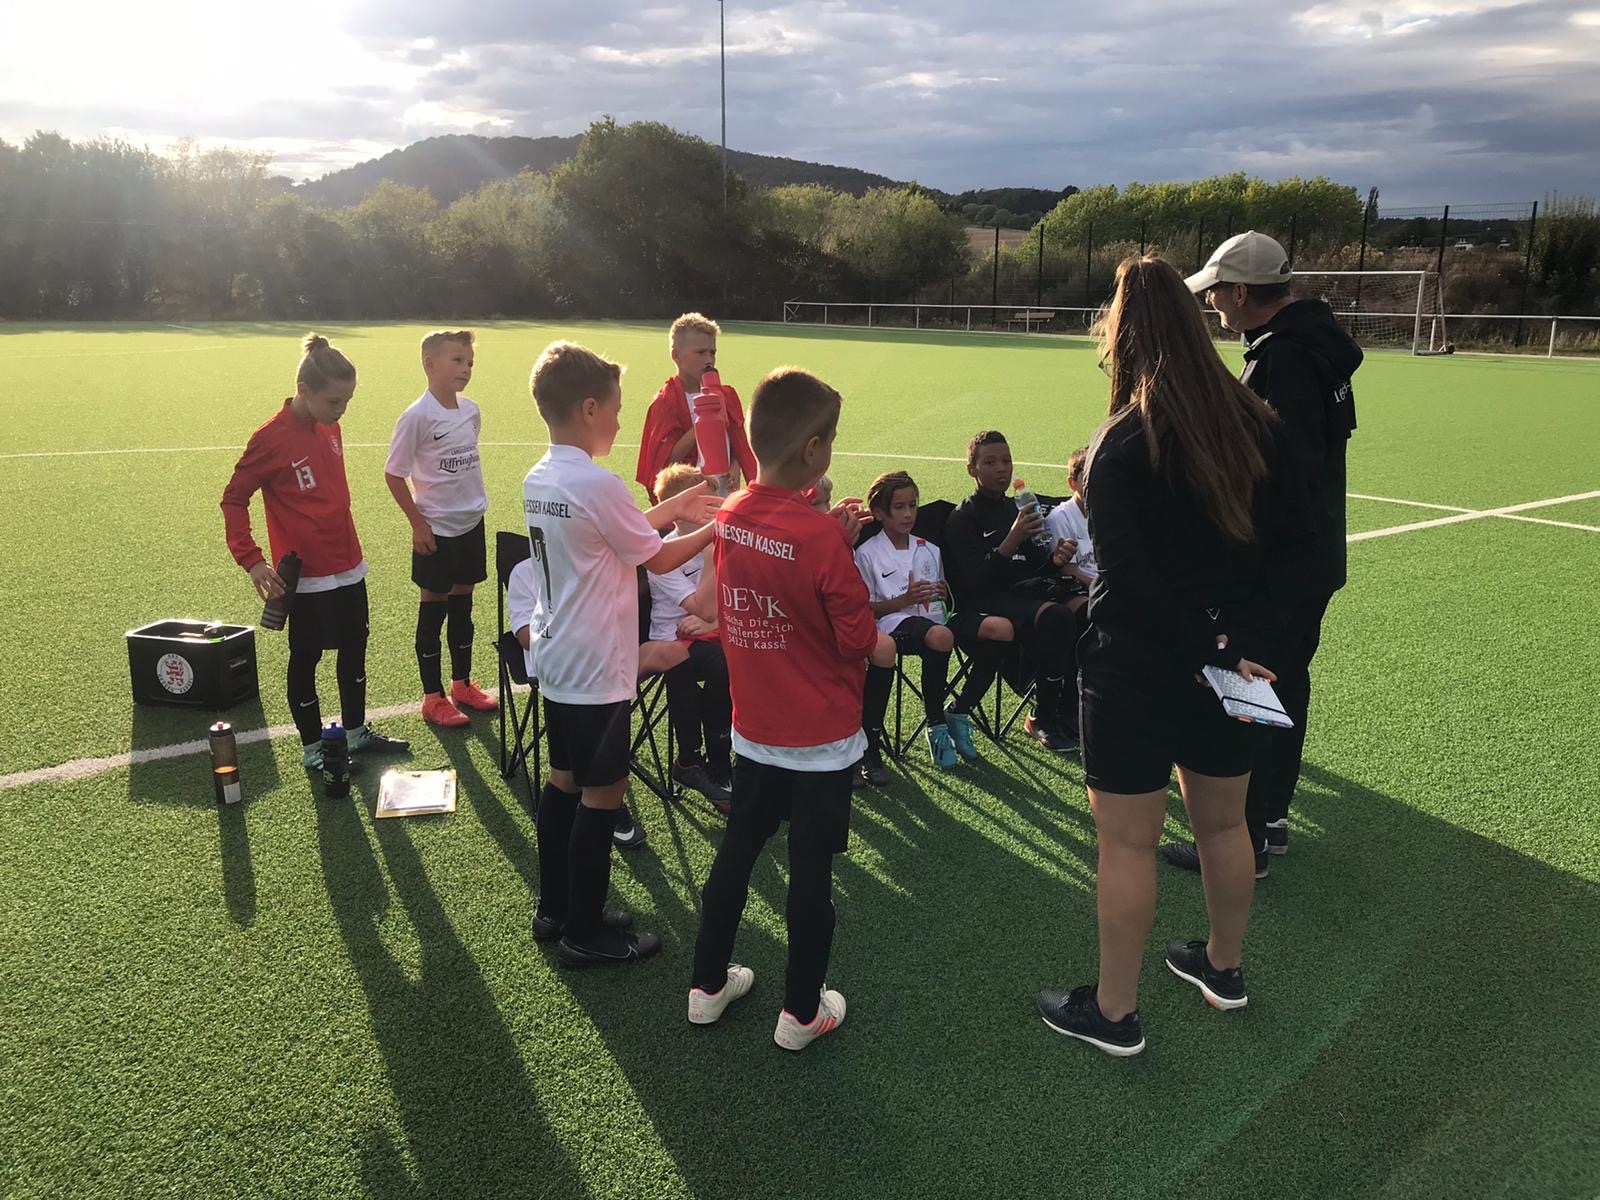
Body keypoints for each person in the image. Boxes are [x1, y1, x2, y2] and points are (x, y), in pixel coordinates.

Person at [1036, 256, 1315, 1056]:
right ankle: (1223, 967)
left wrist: (1210, 646)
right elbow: (1293, 549)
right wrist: (1238, 645)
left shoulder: (1122, 441)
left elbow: (1127, 577)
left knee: (1127, 844)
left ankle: (1115, 1012)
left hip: (1138, 664)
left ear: (1120, 337)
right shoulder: (1256, 422)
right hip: (1226, 665)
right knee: (1226, 826)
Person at [688, 367, 895, 1051]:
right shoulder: (818, 539)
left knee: (738, 853)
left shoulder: (731, 512)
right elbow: (857, 640)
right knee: (811, 874)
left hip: (755, 731)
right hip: (821, 739)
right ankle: (801, 1013)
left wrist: (823, 531)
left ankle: (706, 987)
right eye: (829, 439)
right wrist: (835, 545)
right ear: (813, 448)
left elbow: (772, 564)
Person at [1161, 230, 1362, 875]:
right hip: (1311, 556)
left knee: (1248, 687)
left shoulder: (1288, 359)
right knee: (1285, 685)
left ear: (1243, 292)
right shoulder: (1311, 346)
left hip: (1281, 565)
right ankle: (1268, 821)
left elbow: (1278, 475)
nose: (1212, 301)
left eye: (1217, 290)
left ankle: (1246, 840)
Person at [522, 340, 721, 966]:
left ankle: (556, 908)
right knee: (603, 793)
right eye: (613, 408)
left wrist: (675, 506)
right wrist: (716, 527)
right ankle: (585, 931)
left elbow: (614, 531)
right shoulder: (597, 482)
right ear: (588, 408)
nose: (617, 419)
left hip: (558, 655)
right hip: (597, 664)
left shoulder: (542, 475)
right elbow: (656, 557)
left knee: (563, 781)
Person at [221, 333, 410, 772]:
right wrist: (252, 560)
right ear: (304, 391)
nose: (342, 410)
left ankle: (356, 731)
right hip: (306, 576)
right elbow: (233, 498)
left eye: (348, 401)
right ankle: (312, 749)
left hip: (348, 562)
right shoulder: (270, 439)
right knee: (306, 658)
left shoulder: (330, 426)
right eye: (334, 401)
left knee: (355, 648)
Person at [508, 556, 690, 847]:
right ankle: (603, 798)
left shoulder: (593, 565)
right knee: (588, 737)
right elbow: (525, 637)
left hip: (607, 665)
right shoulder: (525, 571)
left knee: (677, 656)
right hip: (560, 672)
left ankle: (694, 761)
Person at [383, 329, 498, 730]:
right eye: (457, 360)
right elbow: (394, 475)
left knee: (463, 605)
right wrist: (418, 524)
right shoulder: (416, 417)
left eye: (470, 362)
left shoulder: (471, 411)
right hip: (436, 529)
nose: (466, 368)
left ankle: (462, 684)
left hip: (470, 523)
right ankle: (433, 697)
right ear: (430, 364)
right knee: (433, 609)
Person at [942, 431, 1082, 754]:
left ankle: (1072, 707)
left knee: (1087, 611)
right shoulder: (962, 518)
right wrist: (1010, 541)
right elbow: (973, 584)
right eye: (990, 462)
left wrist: (1056, 559)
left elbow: (1036, 565)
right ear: (972, 469)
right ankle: (1043, 716)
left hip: (1023, 593)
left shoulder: (1016, 508)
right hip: (985, 601)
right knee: (1057, 617)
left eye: (1006, 460)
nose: (1001, 468)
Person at [855, 470, 959, 778]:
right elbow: (864, 609)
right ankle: (875, 742)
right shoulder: (867, 553)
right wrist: (902, 600)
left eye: (913, 505)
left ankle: (941, 723)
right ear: (879, 513)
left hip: (930, 624)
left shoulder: (929, 549)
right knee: (940, 636)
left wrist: (943, 595)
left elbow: (941, 602)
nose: (909, 514)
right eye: (899, 507)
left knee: (943, 634)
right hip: (891, 624)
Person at [649, 463, 734, 811]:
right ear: (680, 509)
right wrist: (713, 553)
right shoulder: (662, 554)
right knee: (720, 664)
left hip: (712, 633)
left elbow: (734, 601)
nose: (717, 509)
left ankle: (758, 754)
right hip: (672, 639)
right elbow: (700, 608)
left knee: (761, 650)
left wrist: (716, 623)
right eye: (709, 503)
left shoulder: (723, 542)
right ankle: (709, 762)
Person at [635, 313, 759, 503]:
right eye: (700, 353)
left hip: (725, 493)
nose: (709, 359)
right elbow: (664, 462)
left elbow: (736, 440)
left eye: (712, 352)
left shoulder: (725, 395)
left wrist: (735, 464)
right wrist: (703, 425)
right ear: (676, 355)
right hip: (692, 498)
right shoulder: (666, 402)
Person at [1043, 446, 1096, 602]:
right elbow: (1068, 570)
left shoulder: (1104, 512)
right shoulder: (1061, 518)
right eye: (1087, 478)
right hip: (1083, 592)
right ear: (1072, 483)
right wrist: (1101, 587)